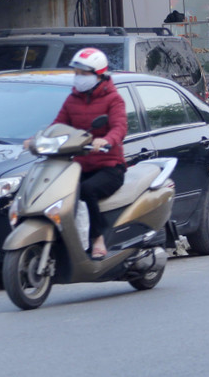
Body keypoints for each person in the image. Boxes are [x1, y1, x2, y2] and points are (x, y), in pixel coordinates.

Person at [52, 47, 128, 259]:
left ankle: (97, 239)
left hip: (110, 167)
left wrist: (106, 140)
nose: (79, 78)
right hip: (79, 167)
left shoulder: (113, 99)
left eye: (84, 74)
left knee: (86, 191)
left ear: (99, 74)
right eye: (76, 73)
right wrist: (39, 139)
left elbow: (119, 127)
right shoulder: (72, 100)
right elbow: (58, 125)